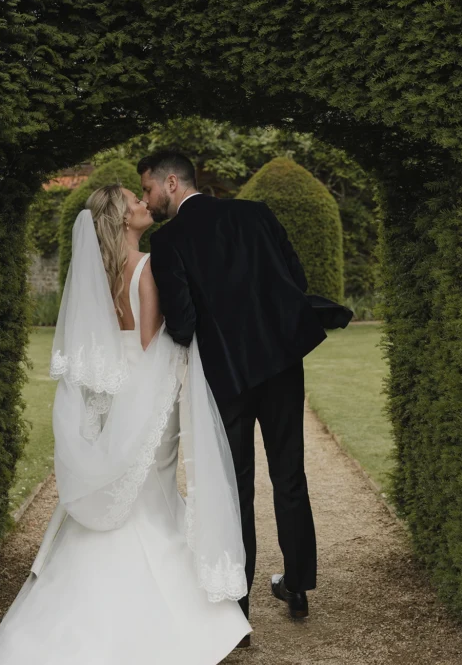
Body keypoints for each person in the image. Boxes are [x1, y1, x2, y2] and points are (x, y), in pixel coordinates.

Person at [0, 184, 250, 665]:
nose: (142, 205)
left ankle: (65, 639)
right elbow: (154, 342)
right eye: (133, 201)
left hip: (116, 401)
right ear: (123, 219)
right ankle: (157, 637)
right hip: (148, 399)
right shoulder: (148, 268)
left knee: (132, 506)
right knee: (150, 507)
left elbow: (111, 344)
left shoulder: (101, 272)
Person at [138, 150, 352, 627]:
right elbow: (294, 281)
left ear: (172, 183)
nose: (147, 201)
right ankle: (297, 585)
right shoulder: (256, 213)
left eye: (149, 189)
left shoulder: (169, 240)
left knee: (235, 487)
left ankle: (239, 608)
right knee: (290, 474)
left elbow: (183, 323)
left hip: (226, 377)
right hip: (280, 366)